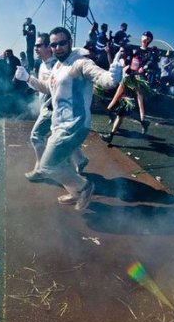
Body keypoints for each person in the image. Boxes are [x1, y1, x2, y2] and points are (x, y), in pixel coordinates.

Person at [14, 26, 123, 211]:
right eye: (53, 44)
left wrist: (113, 77)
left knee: (47, 166)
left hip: (75, 125)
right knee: (62, 162)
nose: (57, 48)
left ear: (70, 43)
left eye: (62, 43)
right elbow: (47, 88)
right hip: (59, 125)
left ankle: (84, 187)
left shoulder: (80, 63)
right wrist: (28, 79)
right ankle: (75, 193)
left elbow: (102, 78)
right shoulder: (58, 66)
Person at [24, 33, 88, 180]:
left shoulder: (56, 65)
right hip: (48, 108)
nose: (35, 48)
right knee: (60, 137)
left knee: (36, 136)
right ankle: (80, 159)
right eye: (35, 45)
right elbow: (45, 86)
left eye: (39, 45)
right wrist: (31, 84)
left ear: (48, 47)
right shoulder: (42, 64)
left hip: (52, 109)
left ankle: (41, 170)